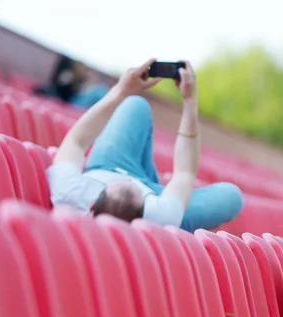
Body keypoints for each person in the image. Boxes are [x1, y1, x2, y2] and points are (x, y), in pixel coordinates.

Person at [46, 59, 244, 232]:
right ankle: (171, 195)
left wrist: (121, 90)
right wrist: (190, 102)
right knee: (231, 196)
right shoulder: (161, 216)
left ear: (92, 204)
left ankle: (170, 192)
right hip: (160, 198)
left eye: (123, 184)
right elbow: (185, 173)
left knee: (135, 104)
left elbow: (76, 141)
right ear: (143, 218)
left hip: (111, 164)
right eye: (133, 187)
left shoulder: (68, 194)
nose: (131, 181)